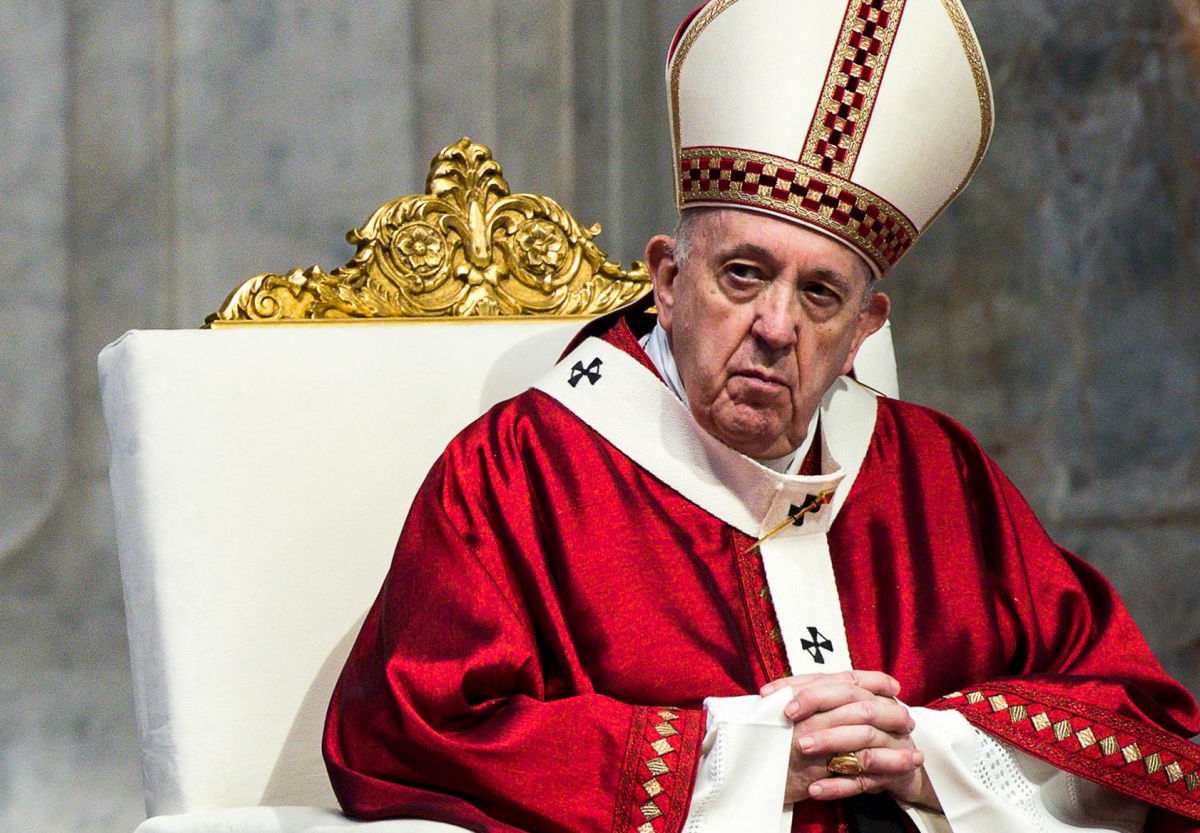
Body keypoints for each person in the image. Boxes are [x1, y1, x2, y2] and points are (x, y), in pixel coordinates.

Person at [323, 2, 1200, 832]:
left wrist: (933, 751)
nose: (776, 327)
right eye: (742, 273)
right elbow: (409, 725)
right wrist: (734, 759)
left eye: (820, 294)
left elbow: (1148, 727)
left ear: (865, 328)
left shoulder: (941, 475)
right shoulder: (521, 470)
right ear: (668, 281)